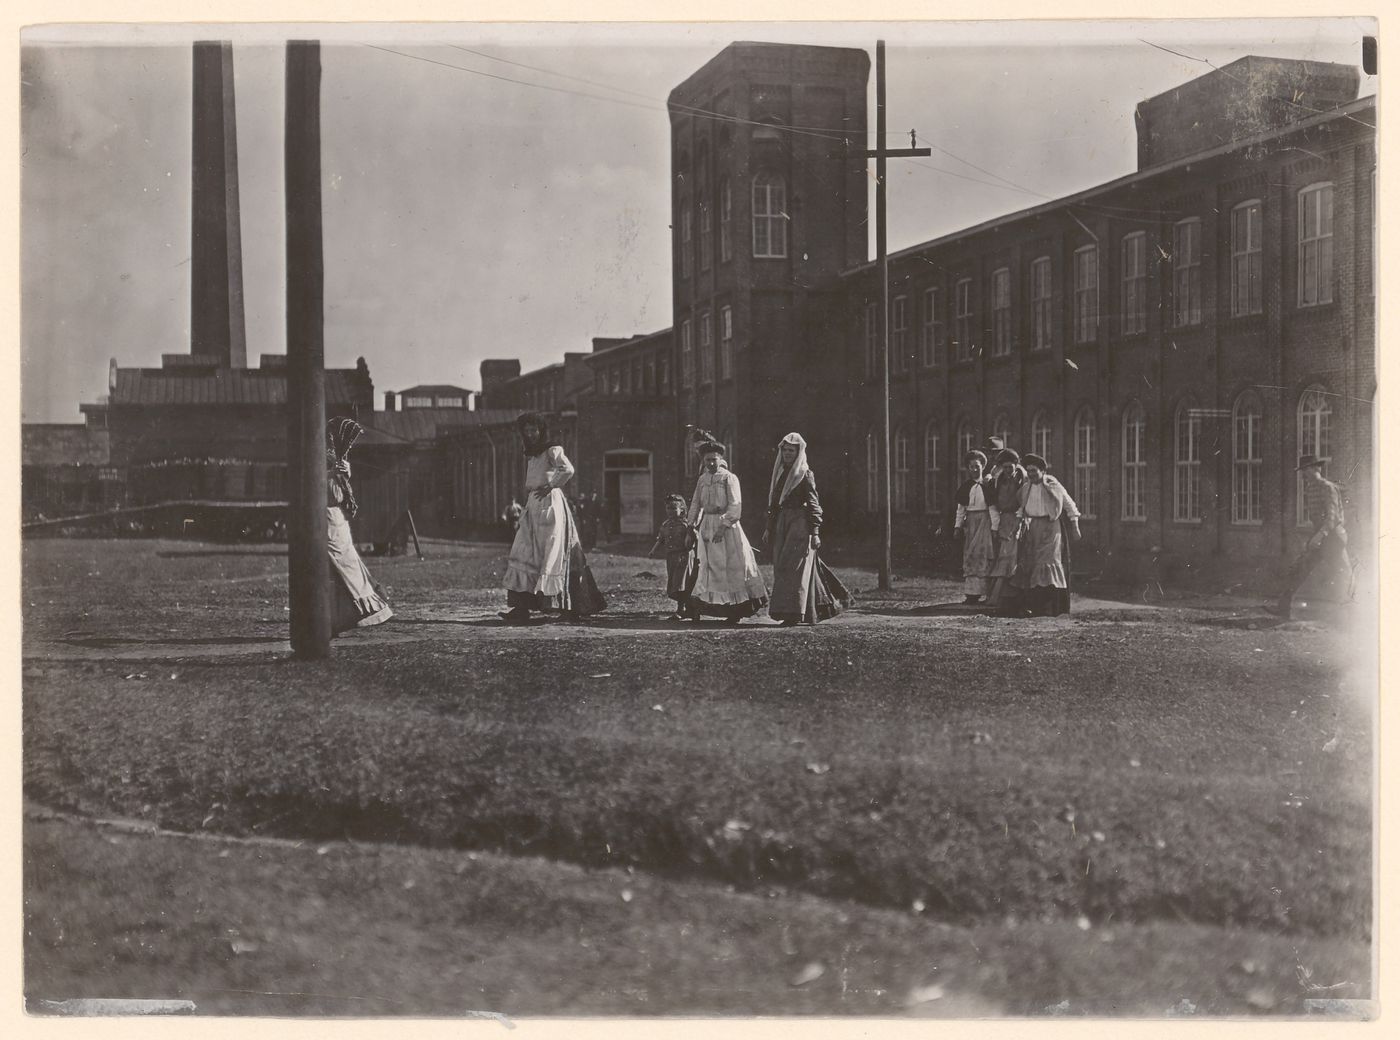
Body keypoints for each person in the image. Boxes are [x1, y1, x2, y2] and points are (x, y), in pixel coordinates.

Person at [500, 412, 606, 623]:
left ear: (541, 430)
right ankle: (521, 609)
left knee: (553, 553)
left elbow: (568, 469)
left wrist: (551, 485)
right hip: (533, 505)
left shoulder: (552, 449)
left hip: (550, 504)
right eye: (527, 430)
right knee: (524, 553)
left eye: (534, 430)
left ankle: (567, 606)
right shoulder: (531, 454)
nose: (530, 434)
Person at [765, 432, 852, 626]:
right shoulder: (780, 473)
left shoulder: (804, 474)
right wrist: (769, 527)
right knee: (782, 565)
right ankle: (815, 608)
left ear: (798, 452)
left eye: (791, 451)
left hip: (799, 524)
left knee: (794, 567)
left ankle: (793, 613)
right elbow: (774, 502)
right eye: (785, 450)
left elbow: (814, 504)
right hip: (782, 522)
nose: (787, 454)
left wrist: (815, 532)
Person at [685, 438, 769, 623]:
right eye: (707, 460)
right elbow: (696, 504)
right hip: (707, 524)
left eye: (714, 459)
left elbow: (735, 505)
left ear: (721, 459)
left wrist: (724, 526)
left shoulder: (729, 478)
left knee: (730, 566)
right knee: (709, 566)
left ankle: (735, 610)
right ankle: (705, 608)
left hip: (727, 527)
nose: (711, 463)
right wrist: (691, 525)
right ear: (703, 461)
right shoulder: (702, 479)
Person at [326, 417, 393, 635]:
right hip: (327, 514)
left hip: (334, 516)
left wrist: (344, 471)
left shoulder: (336, 458)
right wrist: (336, 472)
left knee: (345, 562)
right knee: (337, 565)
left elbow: (341, 485)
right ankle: (339, 615)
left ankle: (360, 610)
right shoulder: (324, 457)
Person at [1272, 454, 1352, 619]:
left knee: (1344, 574)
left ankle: (1353, 614)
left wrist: (1318, 537)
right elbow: (1315, 518)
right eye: (1303, 470)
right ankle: (1283, 610)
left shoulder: (1328, 487)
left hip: (1334, 538)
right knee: (1299, 569)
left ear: (1316, 469)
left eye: (1306, 470)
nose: (1303, 474)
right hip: (1320, 535)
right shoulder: (1310, 489)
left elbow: (1332, 518)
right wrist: (1312, 537)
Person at [1009, 452, 1081, 617]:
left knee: (1048, 564)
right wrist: (1018, 525)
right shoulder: (1026, 488)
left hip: (1050, 528)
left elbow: (1069, 504)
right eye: (1029, 471)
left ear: (1042, 470)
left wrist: (1075, 525)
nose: (1032, 474)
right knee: (1032, 564)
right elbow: (1022, 508)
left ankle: (1051, 607)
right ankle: (1035, 606)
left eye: (1035, 470)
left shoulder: (1053, 484)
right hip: (1032, 528)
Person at [953, 450, 998, 604]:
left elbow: (992, 508)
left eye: (977, 466)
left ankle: (987, 593)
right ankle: (972, 594)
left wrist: (995, 528)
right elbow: (961, 509)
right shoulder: (966, 487)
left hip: (985, 522)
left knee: (983, 554)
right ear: (968, 468)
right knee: (971, 554)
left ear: (983, 466)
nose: (974, 469)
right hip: (971, 524)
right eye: (971, 466)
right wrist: (957, 527)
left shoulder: (988, 485)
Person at [985, 448, 1027, 611]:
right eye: (1006, 467)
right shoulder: (999, 480)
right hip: (1003, 519)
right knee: (1002, 555)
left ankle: (1007, 596)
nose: (1008, 470)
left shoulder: (1021, 480)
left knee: (1011, 556)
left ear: (1016, 466)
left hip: (1017, 518)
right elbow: (994, 503)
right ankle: (998, 596)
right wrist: (996, 526)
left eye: (1011, 467)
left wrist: (1018, 523)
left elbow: (1023, 504)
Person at [649, 493, 697, 621]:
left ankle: (683, 610)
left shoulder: (686, 524)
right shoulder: (666, 524)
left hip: (684, 557)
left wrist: (692, 535)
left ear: (681, 509)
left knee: (681, 583)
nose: (670, 511)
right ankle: (686, 609)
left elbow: (692, 540)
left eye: (673, 508)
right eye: (668, 508)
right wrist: (653, 551)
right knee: (674, 583)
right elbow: (661, 539)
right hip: (671, 557)